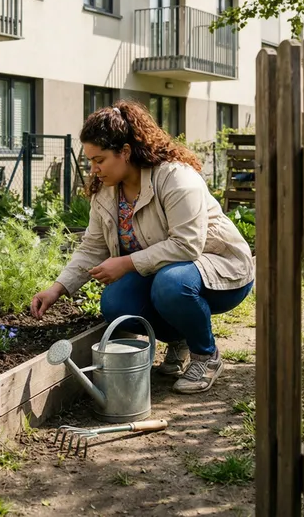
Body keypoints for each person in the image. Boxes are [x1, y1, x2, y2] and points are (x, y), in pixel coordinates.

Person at [30, 101, 255, 393]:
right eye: (90, 161)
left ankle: (206, 355)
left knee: (170, 284)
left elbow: (187, 246)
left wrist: (125, 263)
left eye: (99, 160)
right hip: (166, 272)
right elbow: (92, 247)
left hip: (221, 270)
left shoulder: (175, 178)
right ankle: (180, 339)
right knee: (115, 302)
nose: (94, 169)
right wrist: (57, 288)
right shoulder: (106, 193)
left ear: (125, 151)